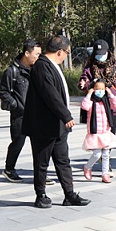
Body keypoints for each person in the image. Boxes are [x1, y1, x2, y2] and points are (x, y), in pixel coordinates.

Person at [22, 35, 90, 209]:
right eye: (67, 52)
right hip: (43, 125)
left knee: (63, 160)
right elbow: (50, 94)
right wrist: (66, 115)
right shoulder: (42, 67)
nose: (67, 55)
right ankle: (41, 195)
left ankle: (69, 194)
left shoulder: (51, 65)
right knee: (42, 162)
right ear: (60, 51)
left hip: (57, 125)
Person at [78, 39, 116, 172]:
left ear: (108, 52)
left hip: (112, 106)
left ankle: (106, 164)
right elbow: (83, 80)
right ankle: (99, 157)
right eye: (97, 53)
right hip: (96, 107)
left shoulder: (115, 67)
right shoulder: (90, 67)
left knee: (109, 136)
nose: (100, 56)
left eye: (102, 53)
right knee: (96, 134)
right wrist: (83, 84)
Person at [0, 39, 44, 183]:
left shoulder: (37, 69)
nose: (38, 57)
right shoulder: (13, 71)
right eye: (36, 54)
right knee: (18, 142)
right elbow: (3, 92)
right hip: (20, 115)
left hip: (36, 114)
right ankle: (9, 169)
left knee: (40, 145)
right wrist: (16, 105)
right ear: (27, 53)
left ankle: (41, 174)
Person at [80, 79, 116, 183]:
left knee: (106, 154)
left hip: (106, 132)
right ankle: (87, 167)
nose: (100, 91)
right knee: (97, 154)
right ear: (93, 89)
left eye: (102, 89)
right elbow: (85, 106)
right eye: (97, 89)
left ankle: (105, 174)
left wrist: (110, 93)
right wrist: (88, 95)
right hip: (95, 132)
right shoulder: (92, 101)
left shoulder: (106, 100)